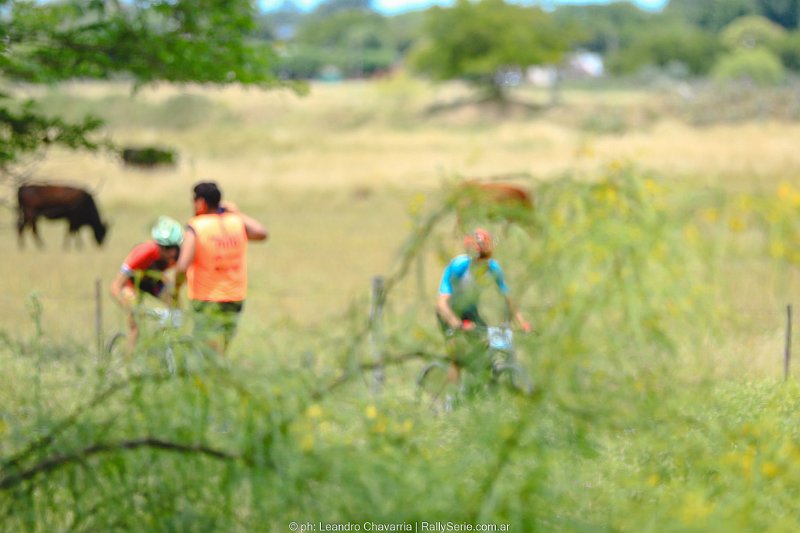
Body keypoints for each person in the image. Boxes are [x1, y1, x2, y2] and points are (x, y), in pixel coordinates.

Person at [175, 181, 268, 354]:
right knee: (222, 347)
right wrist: (236, 213)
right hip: (234, 296)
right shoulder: (235, 223)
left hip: (207, 297)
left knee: (205, 350)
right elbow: (261, 233)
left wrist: (177, 287)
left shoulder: (196, 226)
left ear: (200, 203)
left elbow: (182, 266)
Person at [436, 227, 530, 383]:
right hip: (449, 313)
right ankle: (450, 400)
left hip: (470, 312)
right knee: (457, 353)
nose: (482, 261)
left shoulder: (494, 268)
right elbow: (441, 304)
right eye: (478, 256)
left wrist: (523, 323)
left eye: (485, 256)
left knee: (489, 343)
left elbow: (509, 299)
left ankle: (478, 384)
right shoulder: (458, 267)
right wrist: (456, 323)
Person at [110, 216, 184, 348]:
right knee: (135, 326)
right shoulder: (143, 253)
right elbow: (115, 286)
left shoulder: (180, 254)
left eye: (174, 247)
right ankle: (128, 362)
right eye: (165, 248)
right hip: (132, 284)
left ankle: (163, 345)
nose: (171, 252)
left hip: (153, 282)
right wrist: (129, 309)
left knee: (176, 306)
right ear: (158, 245)